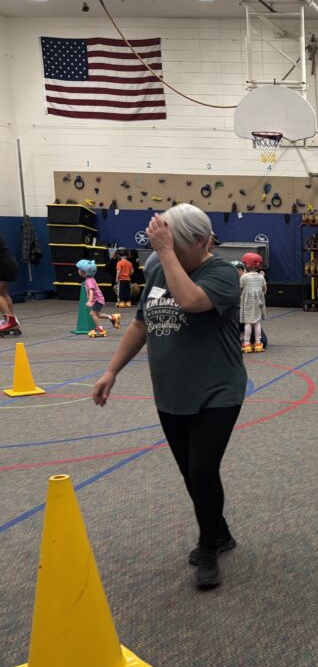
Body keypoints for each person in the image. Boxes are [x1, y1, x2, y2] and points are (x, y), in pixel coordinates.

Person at [91, 203, 246, 590]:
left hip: (218, 390)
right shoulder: (160, 270)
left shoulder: (223, 273)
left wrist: (163, 252)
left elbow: (192, 301)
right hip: (171, 392)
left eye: (175, 244)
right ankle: (220, 531)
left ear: (198, 241)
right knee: (191, 473)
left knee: (201, 470)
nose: (168, 250)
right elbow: (142, 324)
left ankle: (208, 545)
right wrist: (111, 370)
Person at [77, 259, 121, 338]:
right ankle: (112, 317)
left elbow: (91, 290)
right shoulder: (90, 279)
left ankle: (100, 329)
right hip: (99, 300)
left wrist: (90, 300)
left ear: (84, 271)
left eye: (80, 270)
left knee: (92, 314)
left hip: (97, 300)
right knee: (98, 314)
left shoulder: (89, 280)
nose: (78, 271)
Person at [239, 252, 267, 354]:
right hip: (258, 303)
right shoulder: (260, 277)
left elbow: (240, 289)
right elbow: (264, 289)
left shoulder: (244, 277)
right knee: (257, 323)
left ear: (247, 264)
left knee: (248, 323)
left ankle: (246, 344)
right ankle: (258, 343)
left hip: (247, 303)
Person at [0, 234, 20, 336]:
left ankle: (9, 321)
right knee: (3, 293)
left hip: (3, 264)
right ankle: (14, 324)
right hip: (9, 263)